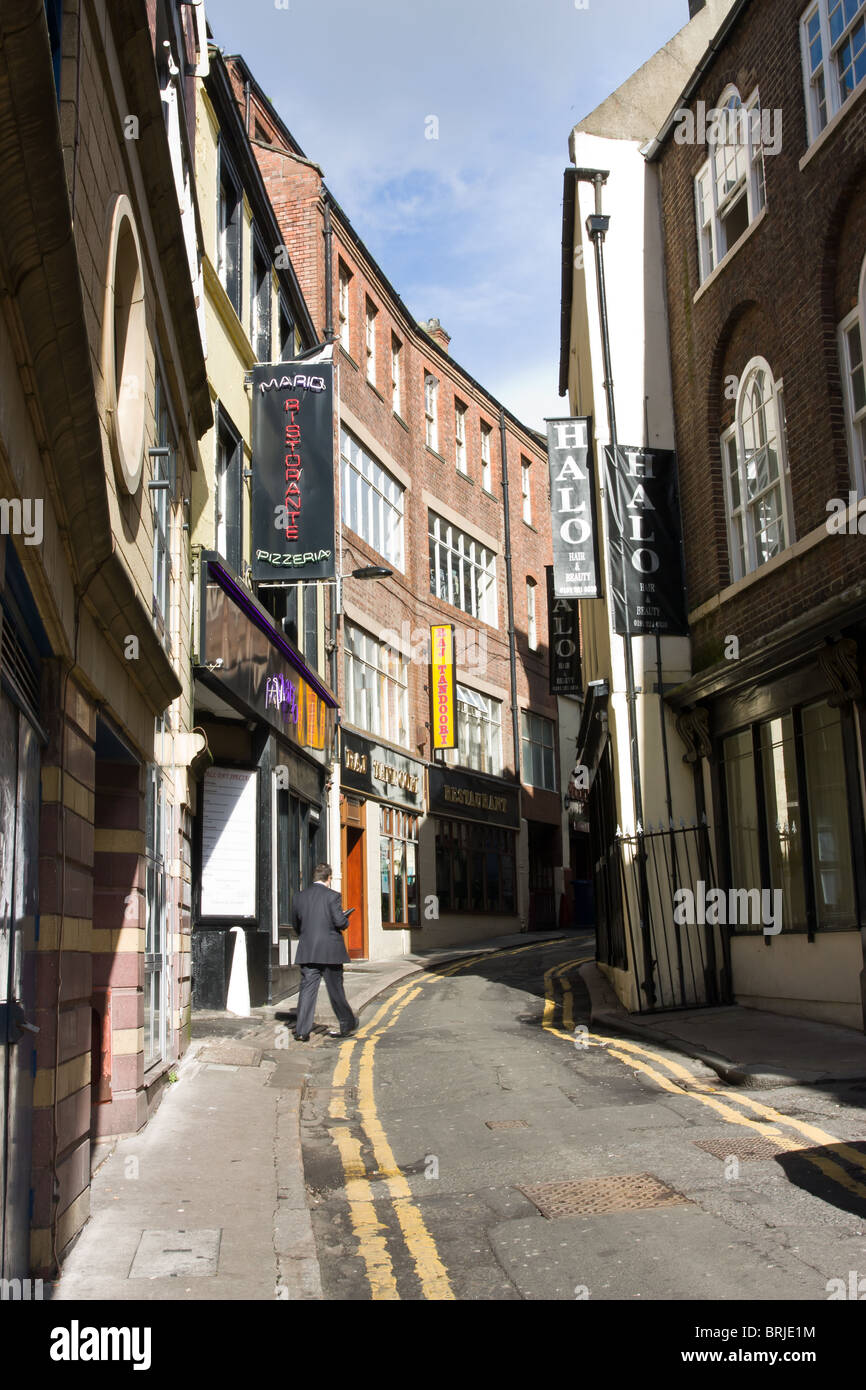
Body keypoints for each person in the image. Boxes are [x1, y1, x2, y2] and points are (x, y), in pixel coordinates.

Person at [291, 863, 358, 1042]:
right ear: (329, 878)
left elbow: (296, 924)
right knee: (335, 990)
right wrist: (345, 918)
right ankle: (347, 1024)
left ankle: (302, 1031)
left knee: (307, 991)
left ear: (314, 877)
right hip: (330, 951)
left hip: (308, 950)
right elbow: (339, 922)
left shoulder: (299, 897)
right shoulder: (333, 896)